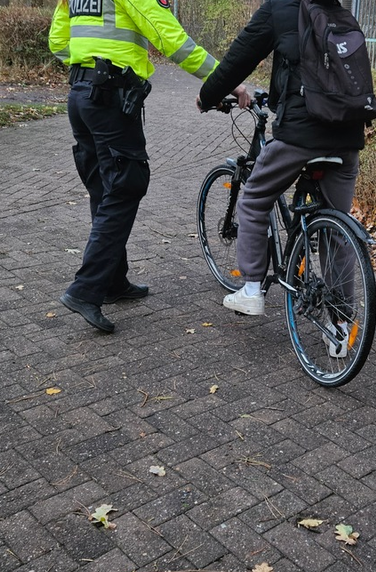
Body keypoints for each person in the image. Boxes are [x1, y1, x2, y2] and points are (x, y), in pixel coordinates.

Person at [49, 0, 249, 332]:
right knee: (127, 184)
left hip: (80, 96)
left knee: (104, 187)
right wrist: (225, 80)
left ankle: (113, 281)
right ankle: (86, 290)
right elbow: (171, 39)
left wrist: (87, 63)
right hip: (110, 98)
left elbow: (57, 41)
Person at [197, 0, 366, 354]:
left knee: (255, 197)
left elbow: (238, 59)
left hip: (301, 134)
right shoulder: (338, 10)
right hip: (348, 136)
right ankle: (339, 328)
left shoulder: (280, 7)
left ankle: (252, 290)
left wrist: (207, 95)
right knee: (338, 228)